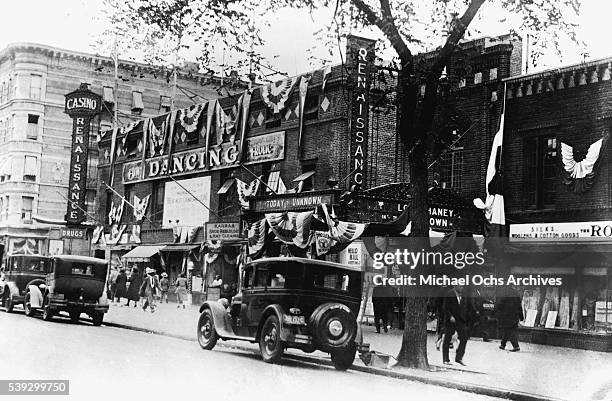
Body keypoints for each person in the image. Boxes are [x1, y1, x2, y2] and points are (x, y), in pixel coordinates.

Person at [441, 285, 474, 366]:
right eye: (460, 286)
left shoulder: (463, 295)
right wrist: (450, 316)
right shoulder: (449, 294)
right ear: (455, 286)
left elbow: (465, 306)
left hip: (460, 319)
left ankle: (459, 357)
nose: (461, 288)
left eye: (462, 286)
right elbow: (445, 307)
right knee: (447, 338)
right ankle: (445, 359)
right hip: (451, 319)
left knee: (464, 337)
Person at [496, 285, 524, 352]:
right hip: (514, 316)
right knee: (508, 330)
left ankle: (516, 346)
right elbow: (519, 306)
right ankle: (503, 344)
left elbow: (499, 305)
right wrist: (521, 317)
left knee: (509, 331)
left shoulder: (503, 293)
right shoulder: (516, 293)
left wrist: (497, 314)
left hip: (506, 316)